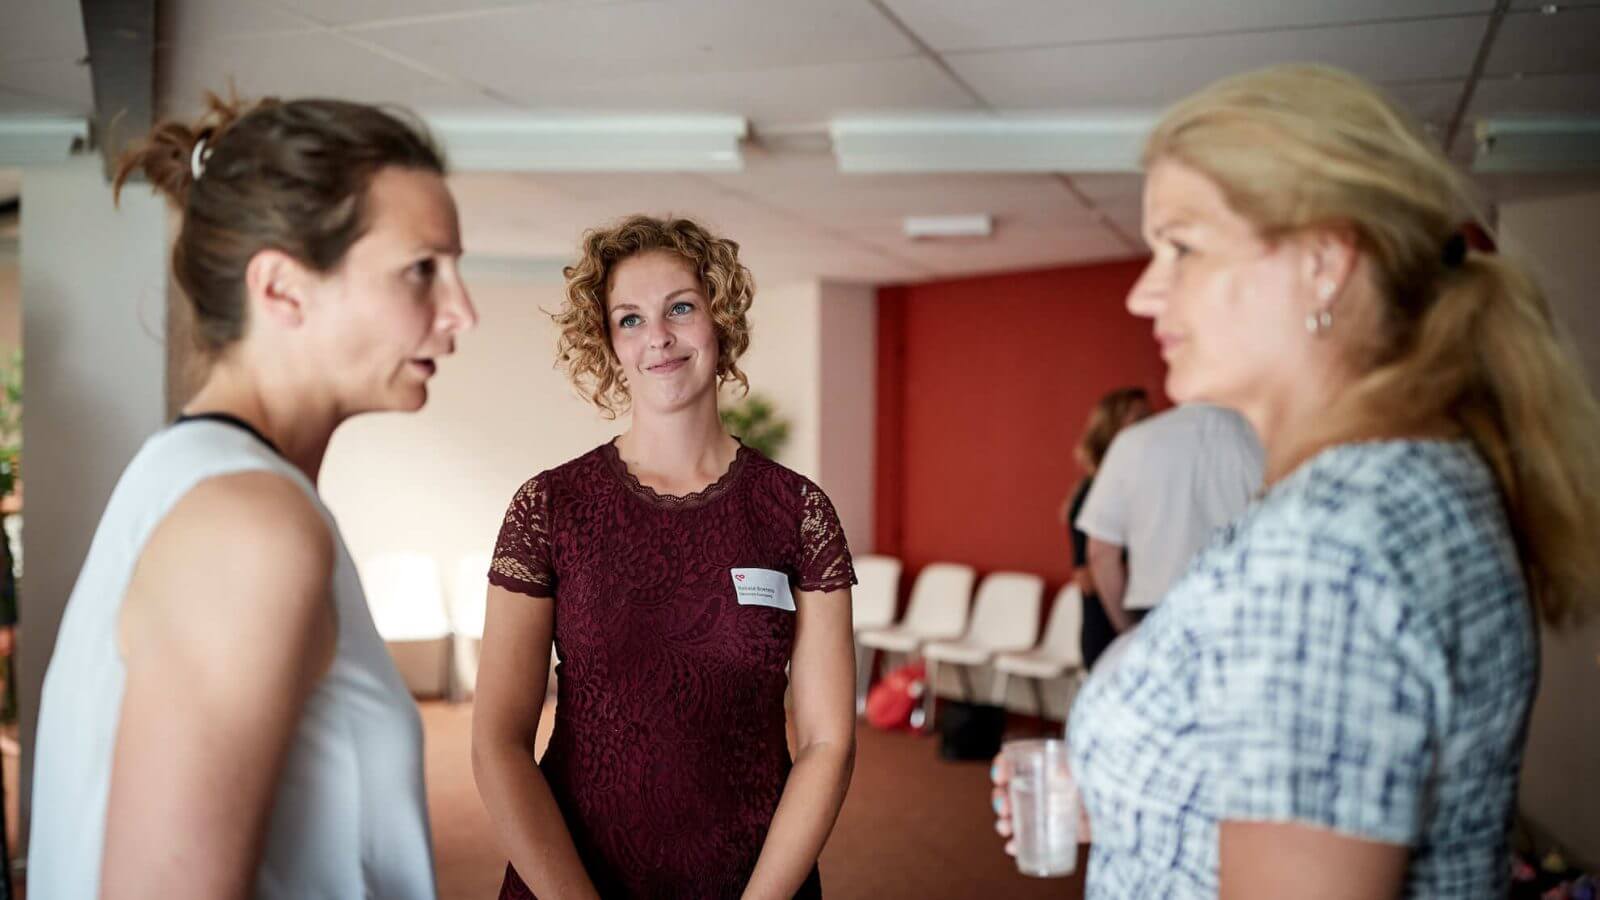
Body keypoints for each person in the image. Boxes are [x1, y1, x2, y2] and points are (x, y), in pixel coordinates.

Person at [995, 63, 1600, 897]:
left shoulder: (1324, 551)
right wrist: (1129, 796)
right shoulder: (1420, 473)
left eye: (1182, 245)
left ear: (1323, 262)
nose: (1144, 292)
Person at [29, 94, 477, 898]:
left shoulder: (213, 485)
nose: (461, 313)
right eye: (422, 270)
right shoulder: (247, 525)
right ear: (281, 290)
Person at [472, 215, 858, 899]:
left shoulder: (797, 511)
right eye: (630, 318)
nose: (658, 337)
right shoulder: (551, 507)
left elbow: (828, 742)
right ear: (608, 343)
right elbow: (498, 742)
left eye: (680, 307)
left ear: (720, 320)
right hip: (573, 879)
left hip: (751, 881)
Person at [1075, 402, 1262, 635]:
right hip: (1239, 605)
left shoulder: (1134, 442)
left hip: (1157, 609)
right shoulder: (1255, 434)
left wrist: (1126, 631)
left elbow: (1101, 554)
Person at [1059, 387, 1149, 668]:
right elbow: (1086, 576)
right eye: (1139, 419)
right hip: (1109, 625)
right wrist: (1128, 628)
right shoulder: (1096, 491)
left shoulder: (1115, 483)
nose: (1151, 426)